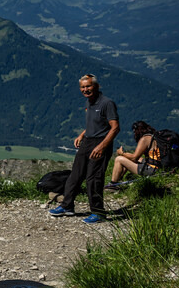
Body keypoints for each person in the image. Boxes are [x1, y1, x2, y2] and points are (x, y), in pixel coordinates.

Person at [49, 74, 119, 223]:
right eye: (82, 87)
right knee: (75, 175)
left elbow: (115, 128)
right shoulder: (89, 102)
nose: (85, 89)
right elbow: (94, 124)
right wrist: (81, 135)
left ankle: (98, 213)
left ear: (96, 86)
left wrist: (101, 147)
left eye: (88, 86)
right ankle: (67, 206)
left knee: (93, 179)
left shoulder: (107, 103)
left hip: (101, 143)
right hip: (87, 141)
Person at [106, 120, 157, 188]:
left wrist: (122, 153)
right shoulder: (153, 136)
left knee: (119, 159)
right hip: (157, 166)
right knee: (132, 157)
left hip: (151, 169)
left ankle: (113, 185)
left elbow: (134, 158)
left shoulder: (144, 139)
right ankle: (119, 178)